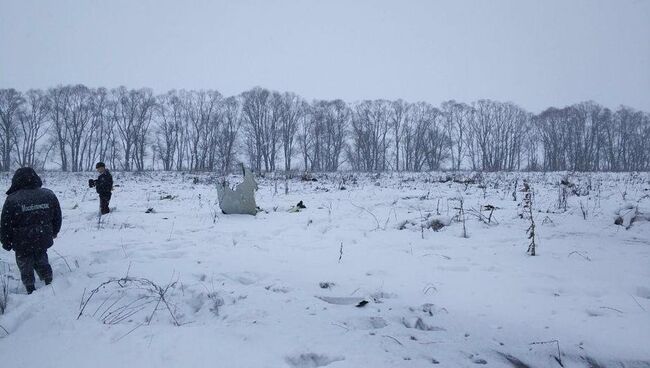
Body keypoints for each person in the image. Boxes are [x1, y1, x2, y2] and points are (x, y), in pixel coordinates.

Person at [1, 167, 62, 294]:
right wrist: (54, 231)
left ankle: (30, 288)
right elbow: (57, 216)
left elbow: (5, 223)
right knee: (41, 257)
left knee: (25, 263)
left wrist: (5, 241)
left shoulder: (12, 199)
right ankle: (48, 281)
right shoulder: (48, 194)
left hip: (21, 240)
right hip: (43, 236)